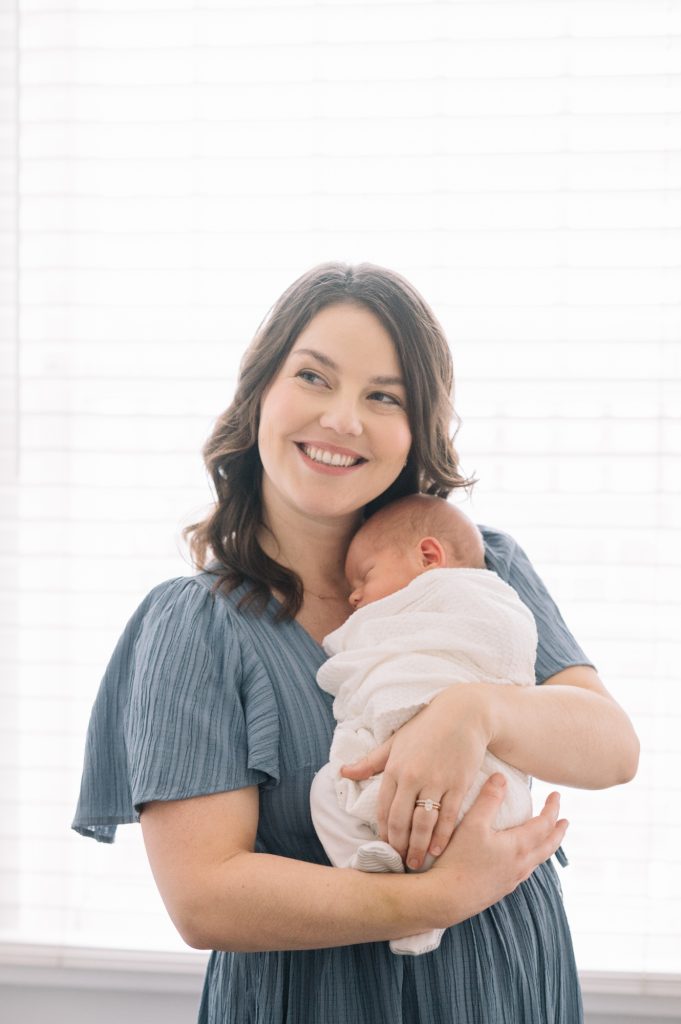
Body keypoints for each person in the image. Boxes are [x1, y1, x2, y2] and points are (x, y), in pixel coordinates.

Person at [71, 262, 639, 1024]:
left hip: (507, 985)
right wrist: (435, 897)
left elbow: (611, 749)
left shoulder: (478, 568)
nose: (343, 419)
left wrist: (474, 713)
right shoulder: (196, 625)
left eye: (383, 396)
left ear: (414, 431)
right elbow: (204, 898)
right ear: (259, 395)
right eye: (314, 377)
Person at [310, 494, 539, 957]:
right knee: (328, 787)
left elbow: (506, 651)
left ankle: (378, 871)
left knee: (327, 789)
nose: (354, 597)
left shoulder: (482, 598)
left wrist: (464, 707)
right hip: (471, 807)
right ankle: (392, 886)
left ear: (429, 557)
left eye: (366, 576)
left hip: (486, 782)